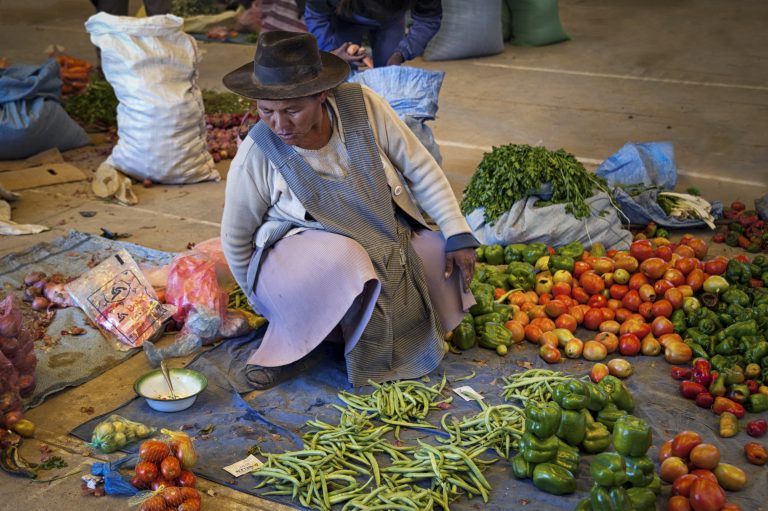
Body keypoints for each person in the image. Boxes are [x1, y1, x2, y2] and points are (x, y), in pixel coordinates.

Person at [220, 31, 476, 389]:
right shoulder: (257, 152)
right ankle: (292, 342)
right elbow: (235, 237)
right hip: (299, 259)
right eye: (267, 111)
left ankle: (348, 333)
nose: (280, 125)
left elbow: (419, 167)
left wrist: (457, 231)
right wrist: (269, 304)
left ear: (322, 94)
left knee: (436, 255)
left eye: (292, 110)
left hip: (375, 233)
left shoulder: (363, 107)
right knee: (348, 258)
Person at [304, 0, 441, 68]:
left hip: (391, 20)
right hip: (344, 17)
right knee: (341, 69)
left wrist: (402, 53)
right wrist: (332, 52)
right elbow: (317, 17)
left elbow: (428, 20)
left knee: (388, 67)